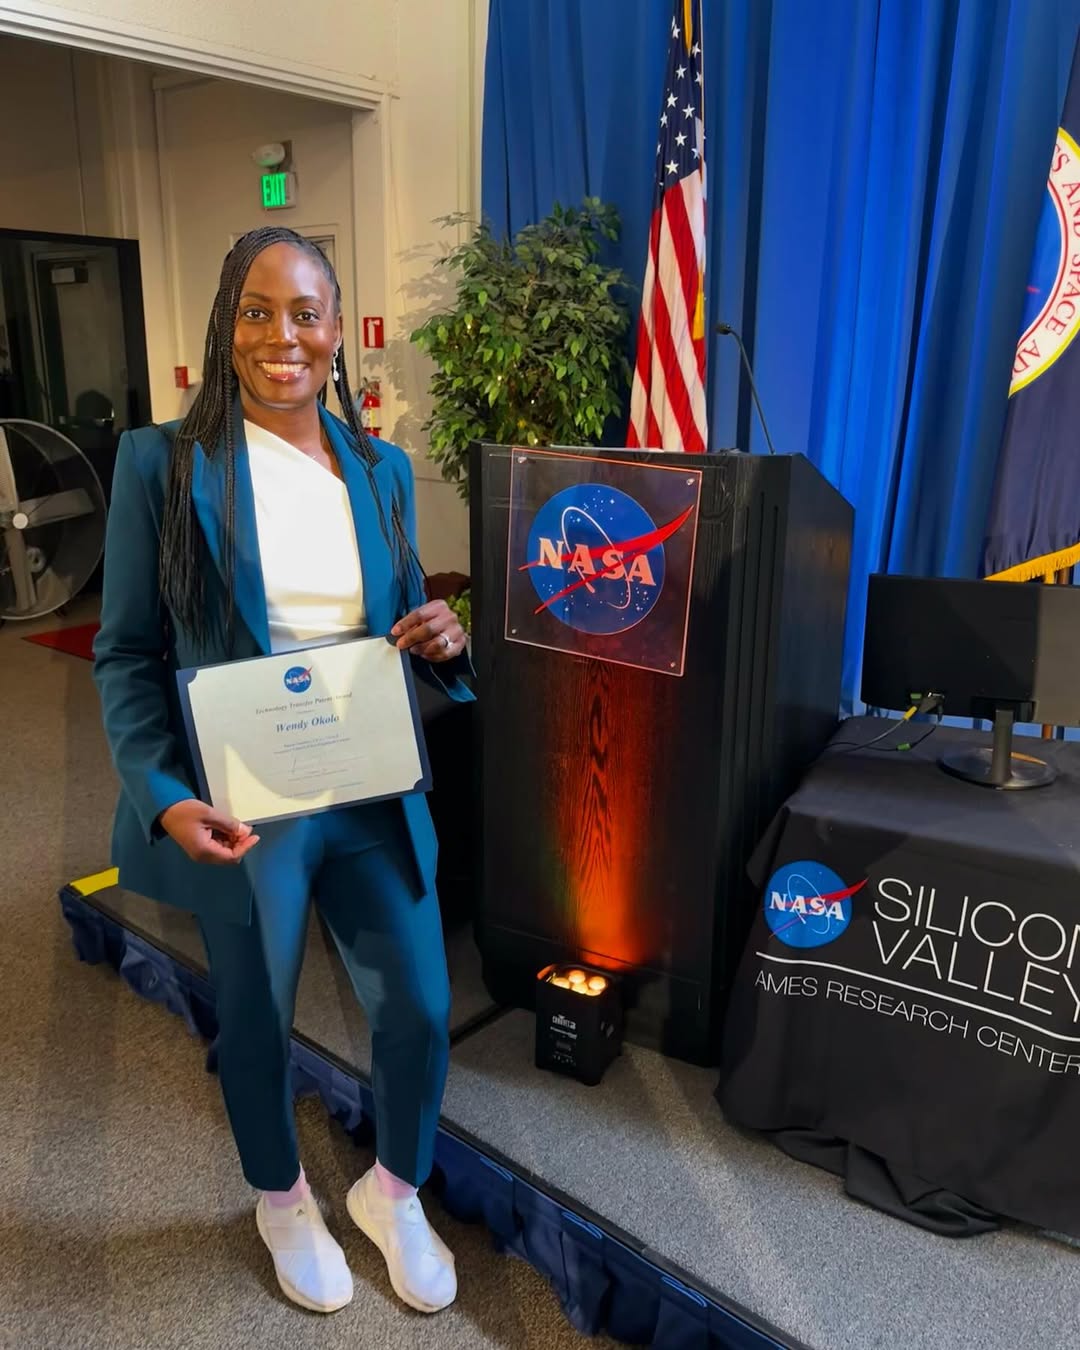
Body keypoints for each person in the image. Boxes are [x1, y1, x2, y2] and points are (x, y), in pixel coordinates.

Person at [93, 226, 472, 1315]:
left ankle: (393, 1192)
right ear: (226, 326)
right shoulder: (162, 464)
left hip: (367, 779)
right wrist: (163, 798)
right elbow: (123, 653)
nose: (282, 336)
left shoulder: (381, 467)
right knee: (254, 1010)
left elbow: (401, 620)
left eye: (306, 313)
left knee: (420, 1005)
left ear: (336, 332)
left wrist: (444, 635)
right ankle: (281, 1196)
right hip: (241, 794)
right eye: (257, 311)